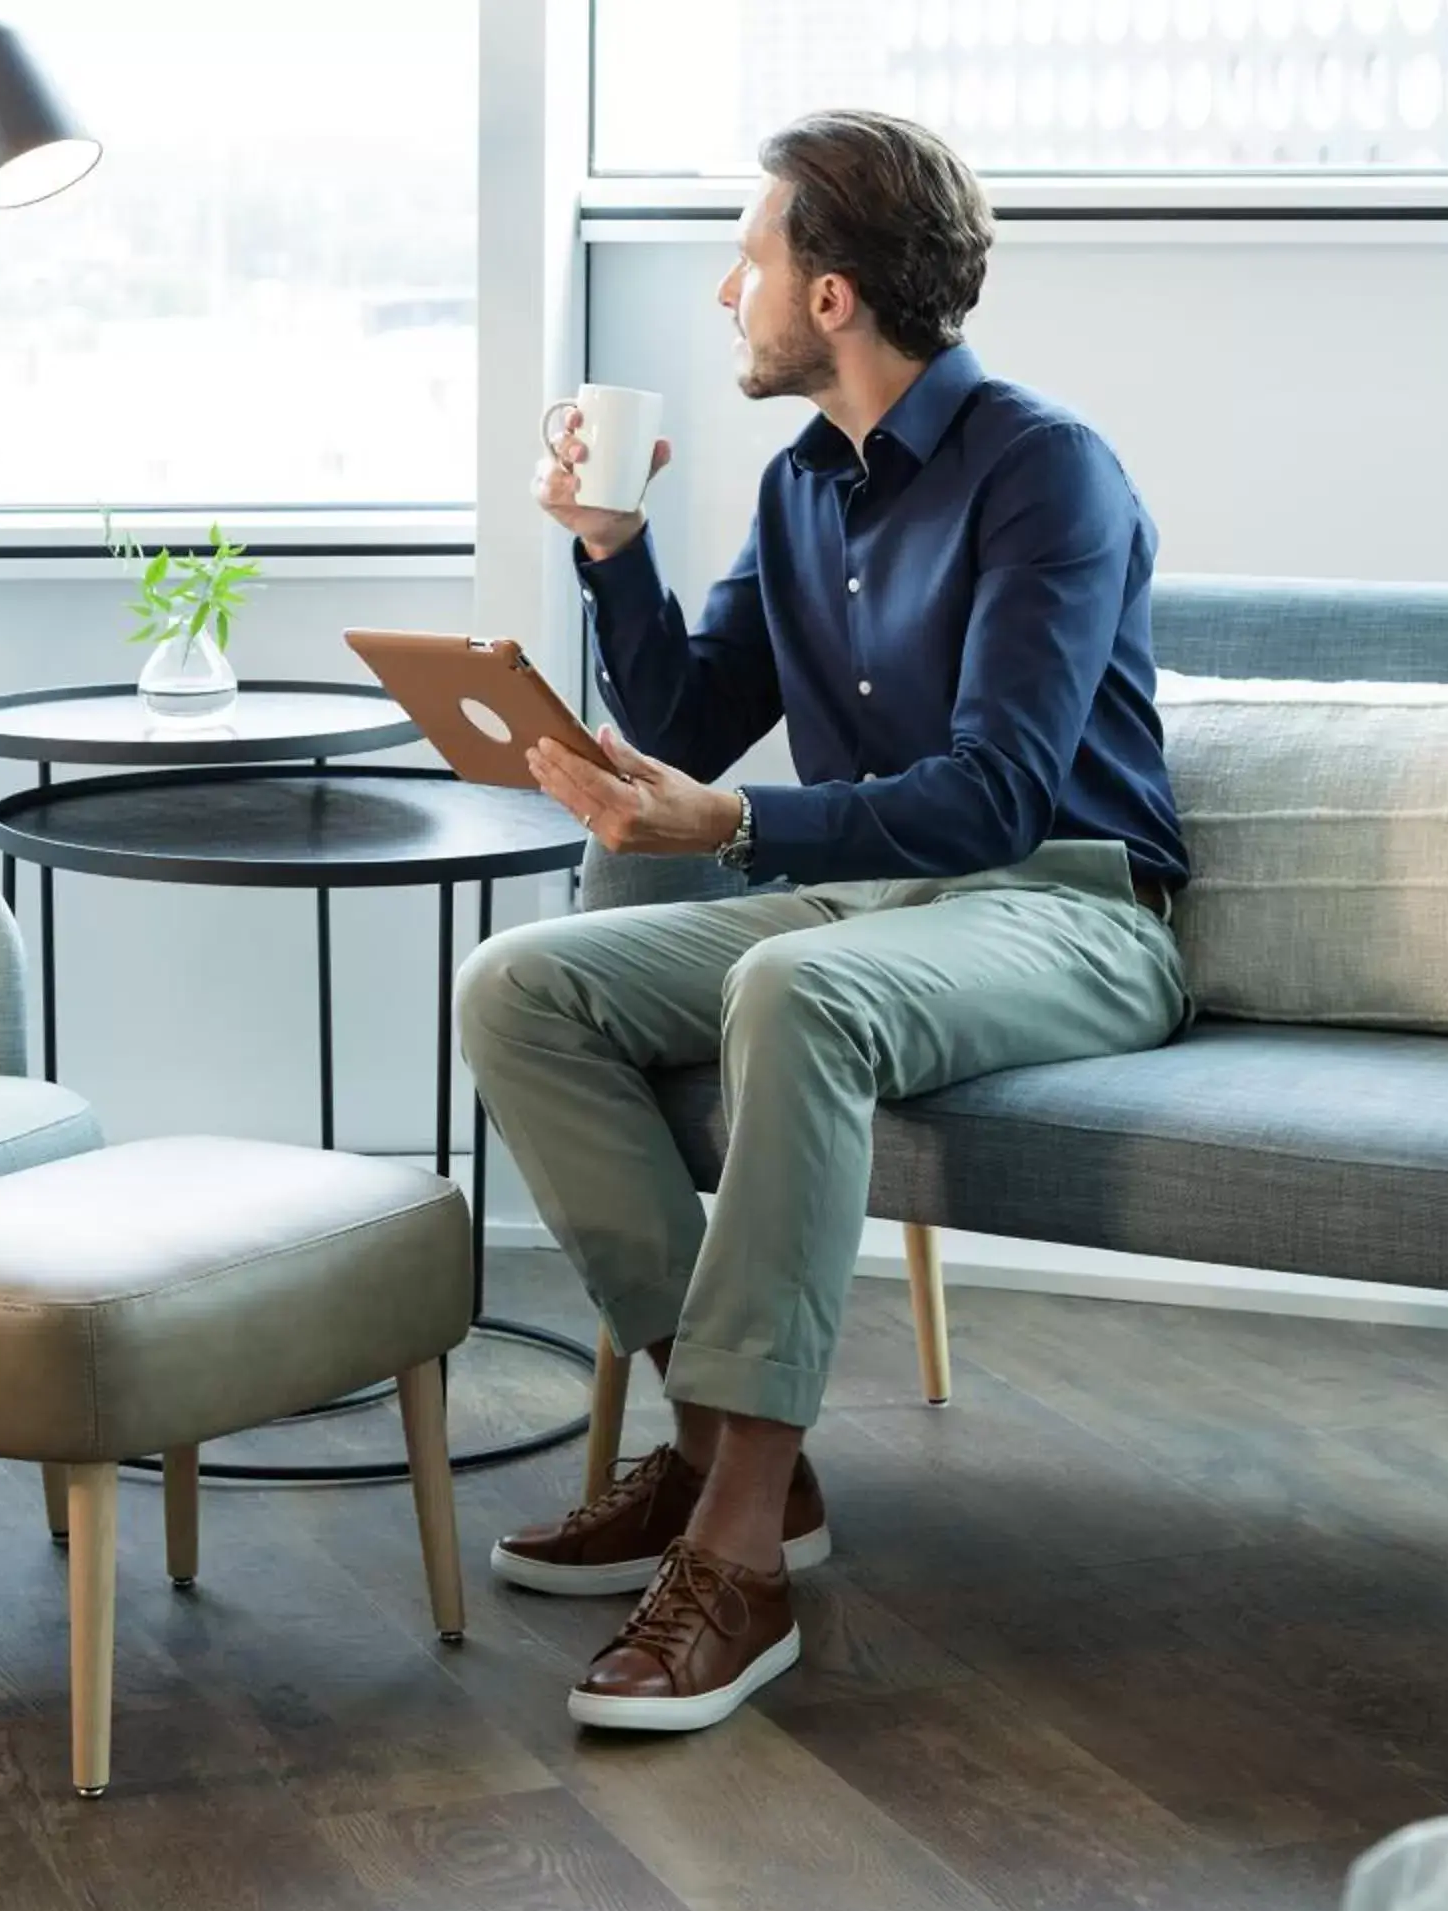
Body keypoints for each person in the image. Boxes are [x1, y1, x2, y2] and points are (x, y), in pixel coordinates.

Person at [456, 108, 1190, 1734]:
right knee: (519, 988)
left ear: (836, 295)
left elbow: (1003, 794)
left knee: (796, 986)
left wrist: (735, 830)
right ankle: (732, 1457)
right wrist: (610, 553)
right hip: (876, 906)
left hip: (1066, 907)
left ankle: (737, 1561)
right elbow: (688, 722)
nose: (731, 293)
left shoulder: (1041, 469)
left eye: (753, 259)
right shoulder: (803, 492)